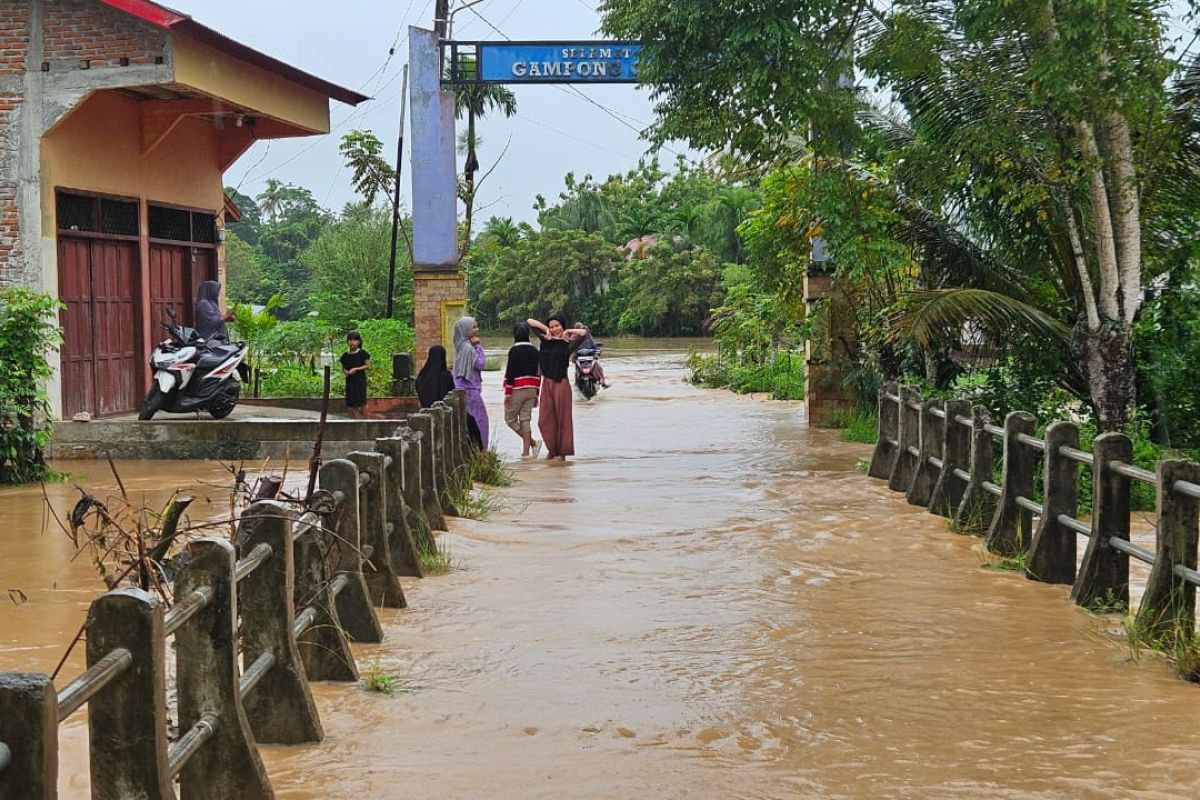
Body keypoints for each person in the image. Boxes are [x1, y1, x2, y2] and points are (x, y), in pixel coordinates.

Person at [527, 315, 589, 460]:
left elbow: (584, 333)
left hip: (561, 383)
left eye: (557, 326)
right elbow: (530, 322)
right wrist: (545, 329)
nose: (555, 329)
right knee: (544, 420)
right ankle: (552, 449)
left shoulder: (568, 343)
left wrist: (568, 331)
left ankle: (562, 454)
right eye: (552, 326)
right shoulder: (545, 339)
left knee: (563, 419)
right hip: (547, 383)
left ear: (562, 326)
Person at [503, 322, 542, 458]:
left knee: (510, 419)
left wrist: (508, 392)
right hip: (532, 389)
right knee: (525, 419)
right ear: (528, 334)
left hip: (517, 389)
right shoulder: (535, 351)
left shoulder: (514, 350)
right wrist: (537, 393)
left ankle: (532, 443)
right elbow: (539, 373)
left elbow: (510, 372)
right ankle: (526, 453)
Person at [452, 316, 489, 450]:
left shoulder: (460, 346)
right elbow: (480, 364)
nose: (476, 330)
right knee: (480, 421)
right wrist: (479, 346)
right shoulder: (469, 348)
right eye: (473, 327)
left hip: (460, 387)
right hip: (470, 390)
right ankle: (481, 451)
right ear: (466, 329)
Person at [571, 321, 610, 388]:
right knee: (577, 367)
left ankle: (602, 381)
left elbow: (595, 346)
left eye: (581, 329)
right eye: (578, 329)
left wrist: (598, 350)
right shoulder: (573, 337)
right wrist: (572, 353)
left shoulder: (589, 336)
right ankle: (576, 382)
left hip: (589, 356)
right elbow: (570, 347)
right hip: (578, 357)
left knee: (598, 365)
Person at [339, 331, 370, 415]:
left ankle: (366, 422)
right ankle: (357, 422)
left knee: (362, 402)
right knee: (353, 404)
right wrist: (347, 372)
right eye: (350, 340)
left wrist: (356, 369)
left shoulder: (362, 353)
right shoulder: (345, 355)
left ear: (358, 342)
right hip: (350, 381)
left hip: (360, 381)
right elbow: (343, 368)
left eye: (354, 340)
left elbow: (367, 366)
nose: (352, 342)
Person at [416, 344, 454, 409]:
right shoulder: (446, 376)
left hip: (425, 412)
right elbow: (452, 394)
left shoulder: (422, 375)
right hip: (443, 413)